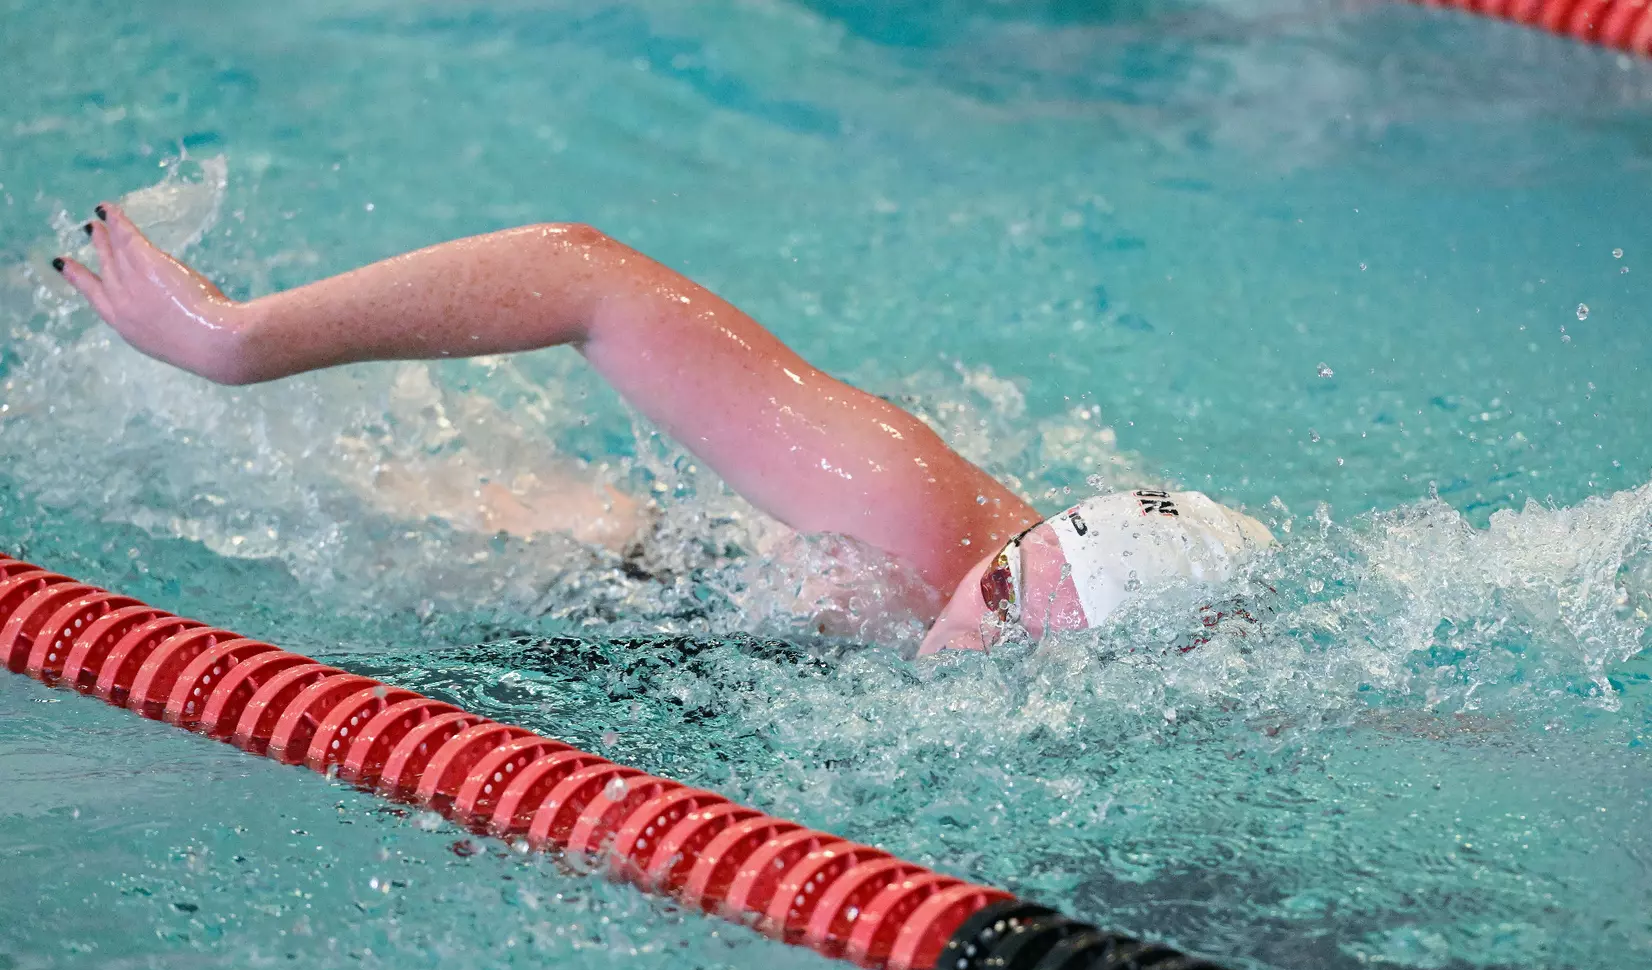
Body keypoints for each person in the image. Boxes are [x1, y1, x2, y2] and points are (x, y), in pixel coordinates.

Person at [54, 204, 1274, 655]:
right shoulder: (910, 517)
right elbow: (582, 274)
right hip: (642, 577)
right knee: (333, 515)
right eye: (999, 583)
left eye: (1015, 628)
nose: (975, 622)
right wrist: (237, 340)